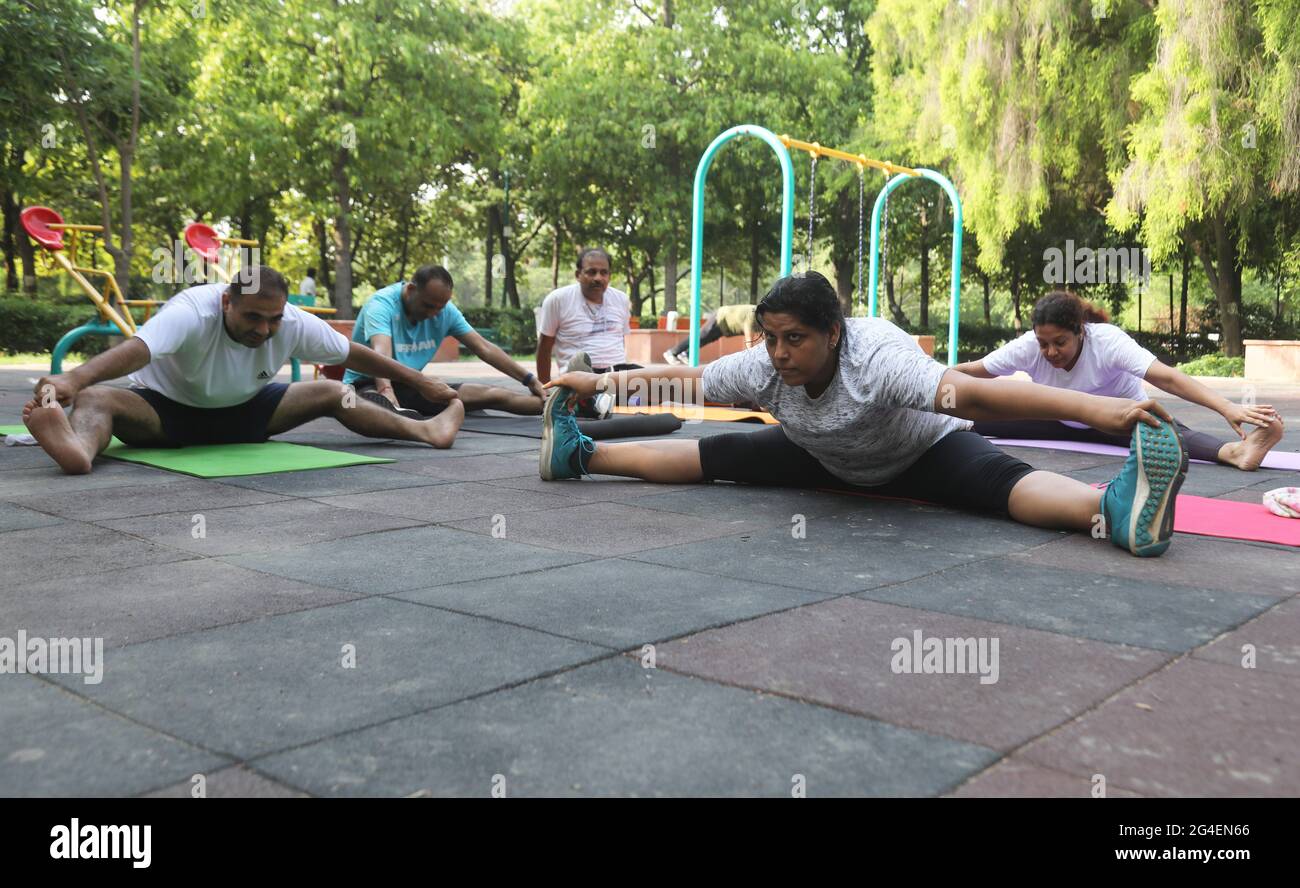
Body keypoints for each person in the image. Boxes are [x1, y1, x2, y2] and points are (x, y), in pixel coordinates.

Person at [539, 272, 1189, 558]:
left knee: (1002, 482)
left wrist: (1104, 412)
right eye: (771, 337)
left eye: (795, 339)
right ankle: (580, 454)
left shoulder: (878, 357)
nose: (780, 353)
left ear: (834, 333)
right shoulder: (763, 367)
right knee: (716, 453)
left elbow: (983, 397)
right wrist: (596, 386)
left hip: (919, 451)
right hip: (822, 450)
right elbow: (681, 382)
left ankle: (1115, 512)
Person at [23, 266, 466, 475]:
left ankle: (428, 432)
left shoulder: (290, 320)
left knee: (334, 394)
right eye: (253, 318)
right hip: (166, 416)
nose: (265, 329)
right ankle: (78, 449)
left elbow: (354, 354)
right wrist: (74, 379)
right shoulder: (192, 311)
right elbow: (139, 349)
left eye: (273, 319)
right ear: (226, 302)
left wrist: (418, 379)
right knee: (98, 398)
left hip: (249, 413)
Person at [952, 290, 1283, 470]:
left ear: (1080, 331)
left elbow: (1166, 378)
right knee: (971, 416)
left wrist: (1226, 407)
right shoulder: (1028, 346)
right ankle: (935, 426)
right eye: (1044, 344)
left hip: (1119, 417)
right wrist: (927, 377)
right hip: (1058, 417)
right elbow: (975, 371)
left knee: (1167, 432)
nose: (1050, 352)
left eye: (1060, 343)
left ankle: (1235, 452)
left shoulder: (1107, 342)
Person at [344, 265, 547, 418]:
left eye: (440, 307)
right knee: (372, 405)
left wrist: (529, 379)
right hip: (365, 384)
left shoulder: (444, 310)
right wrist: (386, 391)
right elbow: (381, 355)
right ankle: (397, 416)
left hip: (412, 384)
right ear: (411, 290)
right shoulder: (381, 305)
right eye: (428, 306)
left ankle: (556, 406)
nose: (434, 314)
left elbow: (484, 348)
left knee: (492, 394)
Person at [536, 247, 639, 417]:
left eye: (603, 273)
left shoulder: (621, 299)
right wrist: (545, 389)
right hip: (580, 375)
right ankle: (589, 400)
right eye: (591, 272)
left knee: (657, 383)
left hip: (615, 373)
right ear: (578, 274)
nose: (598, 278)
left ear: (609, 276)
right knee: (583, 377)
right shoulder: (557, 300)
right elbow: (544, 348)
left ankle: (601, 401)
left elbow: (620, 340)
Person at [664, 304, 760, 364]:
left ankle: (686, 354)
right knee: (700, 337)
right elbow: (749, 339)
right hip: (720, 317)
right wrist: (750, 359)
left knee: (706, 339)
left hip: (725, 327)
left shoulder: (764, 319)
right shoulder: (753, 315)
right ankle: (672, 352)